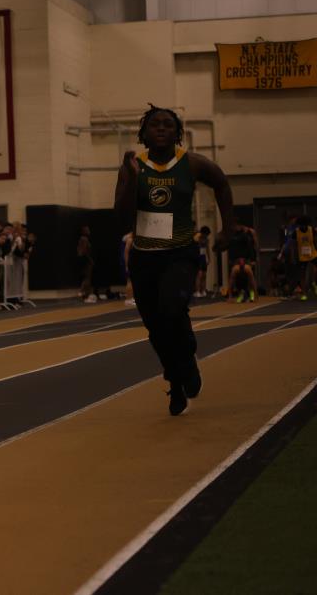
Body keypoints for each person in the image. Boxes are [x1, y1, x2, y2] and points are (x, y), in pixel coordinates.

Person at [114, 105, 234, 416]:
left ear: (177, 132)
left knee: (171, 309)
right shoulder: (132, 166)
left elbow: (221, 183)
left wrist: (228, 228)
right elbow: (122, 218)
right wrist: (131, 179)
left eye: (168, 124)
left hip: (179, 253)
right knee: (156, 328)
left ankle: (187, 359)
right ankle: (176, 380)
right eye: (155, 124)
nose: (161, 128)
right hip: (144, 257)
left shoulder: (191, 163)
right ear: (144, 133)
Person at [227, 223, 258, 303]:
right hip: (237, 260)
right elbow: (231, 249)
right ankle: (239, 293)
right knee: (236, 277)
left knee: (249, 276)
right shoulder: (233, 238)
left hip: (245, 260)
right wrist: (231, 259)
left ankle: (252, 293)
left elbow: (251, 247)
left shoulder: (247, 236)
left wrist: (252, 259)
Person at [294, 215, 317, 301]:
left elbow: (315, 241)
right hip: (302, 255)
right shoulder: (296, 232)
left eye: (304, 224)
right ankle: (304, 293)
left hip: (312, 253)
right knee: (302, 275)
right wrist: (294, 256)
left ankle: (315, 284)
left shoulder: (311, 230)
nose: (302, 226)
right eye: (300, 225)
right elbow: (293, 245)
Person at [76, 226, 95, 303]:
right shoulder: (84, 239)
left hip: (84, 260)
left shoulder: (83, 239)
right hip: (86, 260)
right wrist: (90, 260)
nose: (89, 231)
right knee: (87, 277)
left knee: (87, 277)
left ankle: (86, 295)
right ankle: (81, 292)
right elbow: (84, 251)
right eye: (87, 230)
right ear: (84, 231)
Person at [193, 226, 211, 298]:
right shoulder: (197, 237)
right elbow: (194, 240)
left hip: (203, 257)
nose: (207, 236)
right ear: (203, 233)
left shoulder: (206, 239)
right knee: (199, 275)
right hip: (198, 257)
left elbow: (207, 248)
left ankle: (203, 291)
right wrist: (198, 234)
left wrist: (209, 258)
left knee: (204, 275)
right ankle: (197, 291)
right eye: (206, 234)